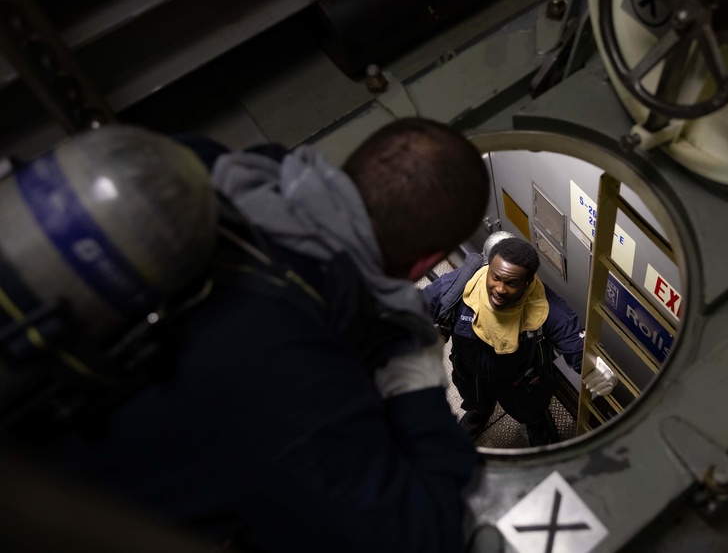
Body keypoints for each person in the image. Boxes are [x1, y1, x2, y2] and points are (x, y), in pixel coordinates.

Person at [28, 118, 491, 553]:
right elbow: (423, 536)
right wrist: (414, 378)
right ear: (423, 266)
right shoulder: (299, 377)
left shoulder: (198, 166)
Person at [424, 234, 616, 446]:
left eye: (511, 283)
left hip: (520, 379)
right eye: (495, 277)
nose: (499, 289)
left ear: (527, 282)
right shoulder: (458, 288)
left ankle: (538, 428)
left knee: (532, 412)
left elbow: (576, 345)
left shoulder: (546, 309)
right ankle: (479, 412)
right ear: (489, 267)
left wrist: (597, 368)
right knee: (476, 399)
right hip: (471, 370)